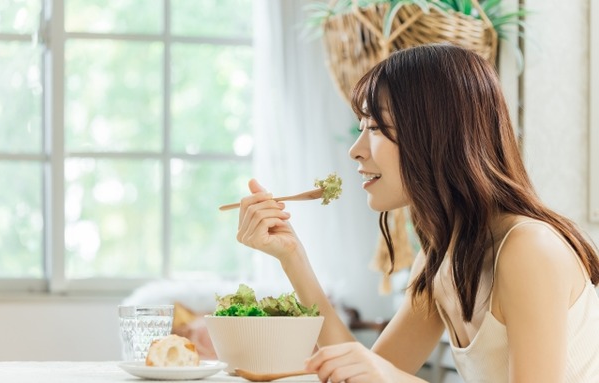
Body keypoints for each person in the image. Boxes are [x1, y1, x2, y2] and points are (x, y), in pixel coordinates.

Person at [235, 43, 599, 382]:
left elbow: (385, 375)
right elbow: (362, 374)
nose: (355, 150)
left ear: (437, 136)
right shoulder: (443, 256)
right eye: (361, 127)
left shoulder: (528, 248)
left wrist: (392, 378)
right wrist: (291, 256)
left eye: (375, 128)